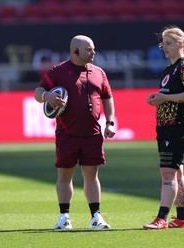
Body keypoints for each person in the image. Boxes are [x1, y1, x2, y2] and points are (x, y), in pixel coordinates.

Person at [34, 35, 116, 230]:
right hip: (67, 133)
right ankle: (64, 217)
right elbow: (38, 92)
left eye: (93, 48)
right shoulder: (57, 71)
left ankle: (96, 217)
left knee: (91, 174)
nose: (93, 52)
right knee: (64, 175)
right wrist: (48, 96)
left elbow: (107, 98)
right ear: (75, 52)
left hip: (92, 133)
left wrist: (110, 122)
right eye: (89, 49)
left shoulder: (99, 72)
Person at [143, 26, 184, 229]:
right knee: (177, 173)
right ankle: (182, 218)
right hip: (166, 125)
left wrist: (164, 98)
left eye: (168, 43)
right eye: (162, 44)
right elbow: (171, 96)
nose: (164, 48)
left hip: (178, 125)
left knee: (167, 173)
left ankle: (162, 218)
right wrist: (158, 100)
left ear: (180, 43)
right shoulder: (170, 69)